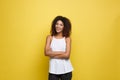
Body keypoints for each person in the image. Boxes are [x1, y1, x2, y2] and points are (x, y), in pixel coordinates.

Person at [44, 16, 74, 80]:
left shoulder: (67, 39)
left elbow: (67, 56)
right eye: (57, 24)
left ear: (64, 27)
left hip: (66, 70)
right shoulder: (49, 37)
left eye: (61, 25)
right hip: (53, 70)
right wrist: (61, 52)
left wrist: (52, 54)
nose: (58, 26)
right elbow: (46, 53)